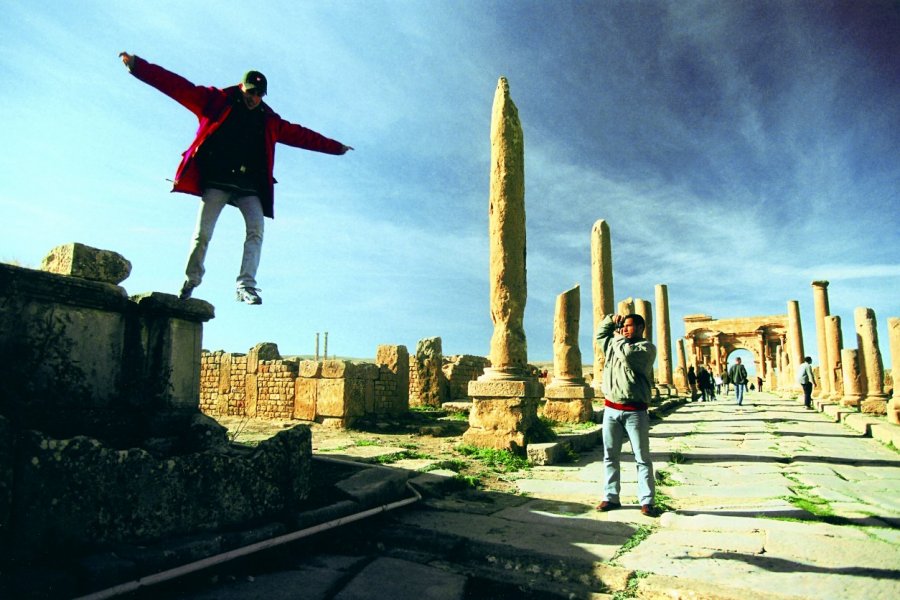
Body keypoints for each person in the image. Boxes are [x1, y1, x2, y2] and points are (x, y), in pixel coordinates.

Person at [119, 52, 353, 305]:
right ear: (242, 87)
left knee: (256, 230)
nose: (254, 98)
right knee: (202, 234)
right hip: (218, 180)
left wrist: (336, 147)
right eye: (251, 92)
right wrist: (137, 67)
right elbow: (177, 86)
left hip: (249, 185)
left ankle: (245, 286)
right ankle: (192, 279)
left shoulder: (269, 120)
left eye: (259, 94)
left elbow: (303, 136)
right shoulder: (215, 101)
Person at [595, 313, 658, 517]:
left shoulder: (646, 348)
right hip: (611, 409)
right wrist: (610, 320)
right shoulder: (614, 343)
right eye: (623, 326)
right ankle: (611, 497)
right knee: (610, 456)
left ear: (641, 328)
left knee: (641, 458)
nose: (624, 329)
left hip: (635, 412)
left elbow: (628, 356)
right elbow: (600, 335)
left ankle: (647, 501)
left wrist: (618, 336)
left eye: (629, 326)